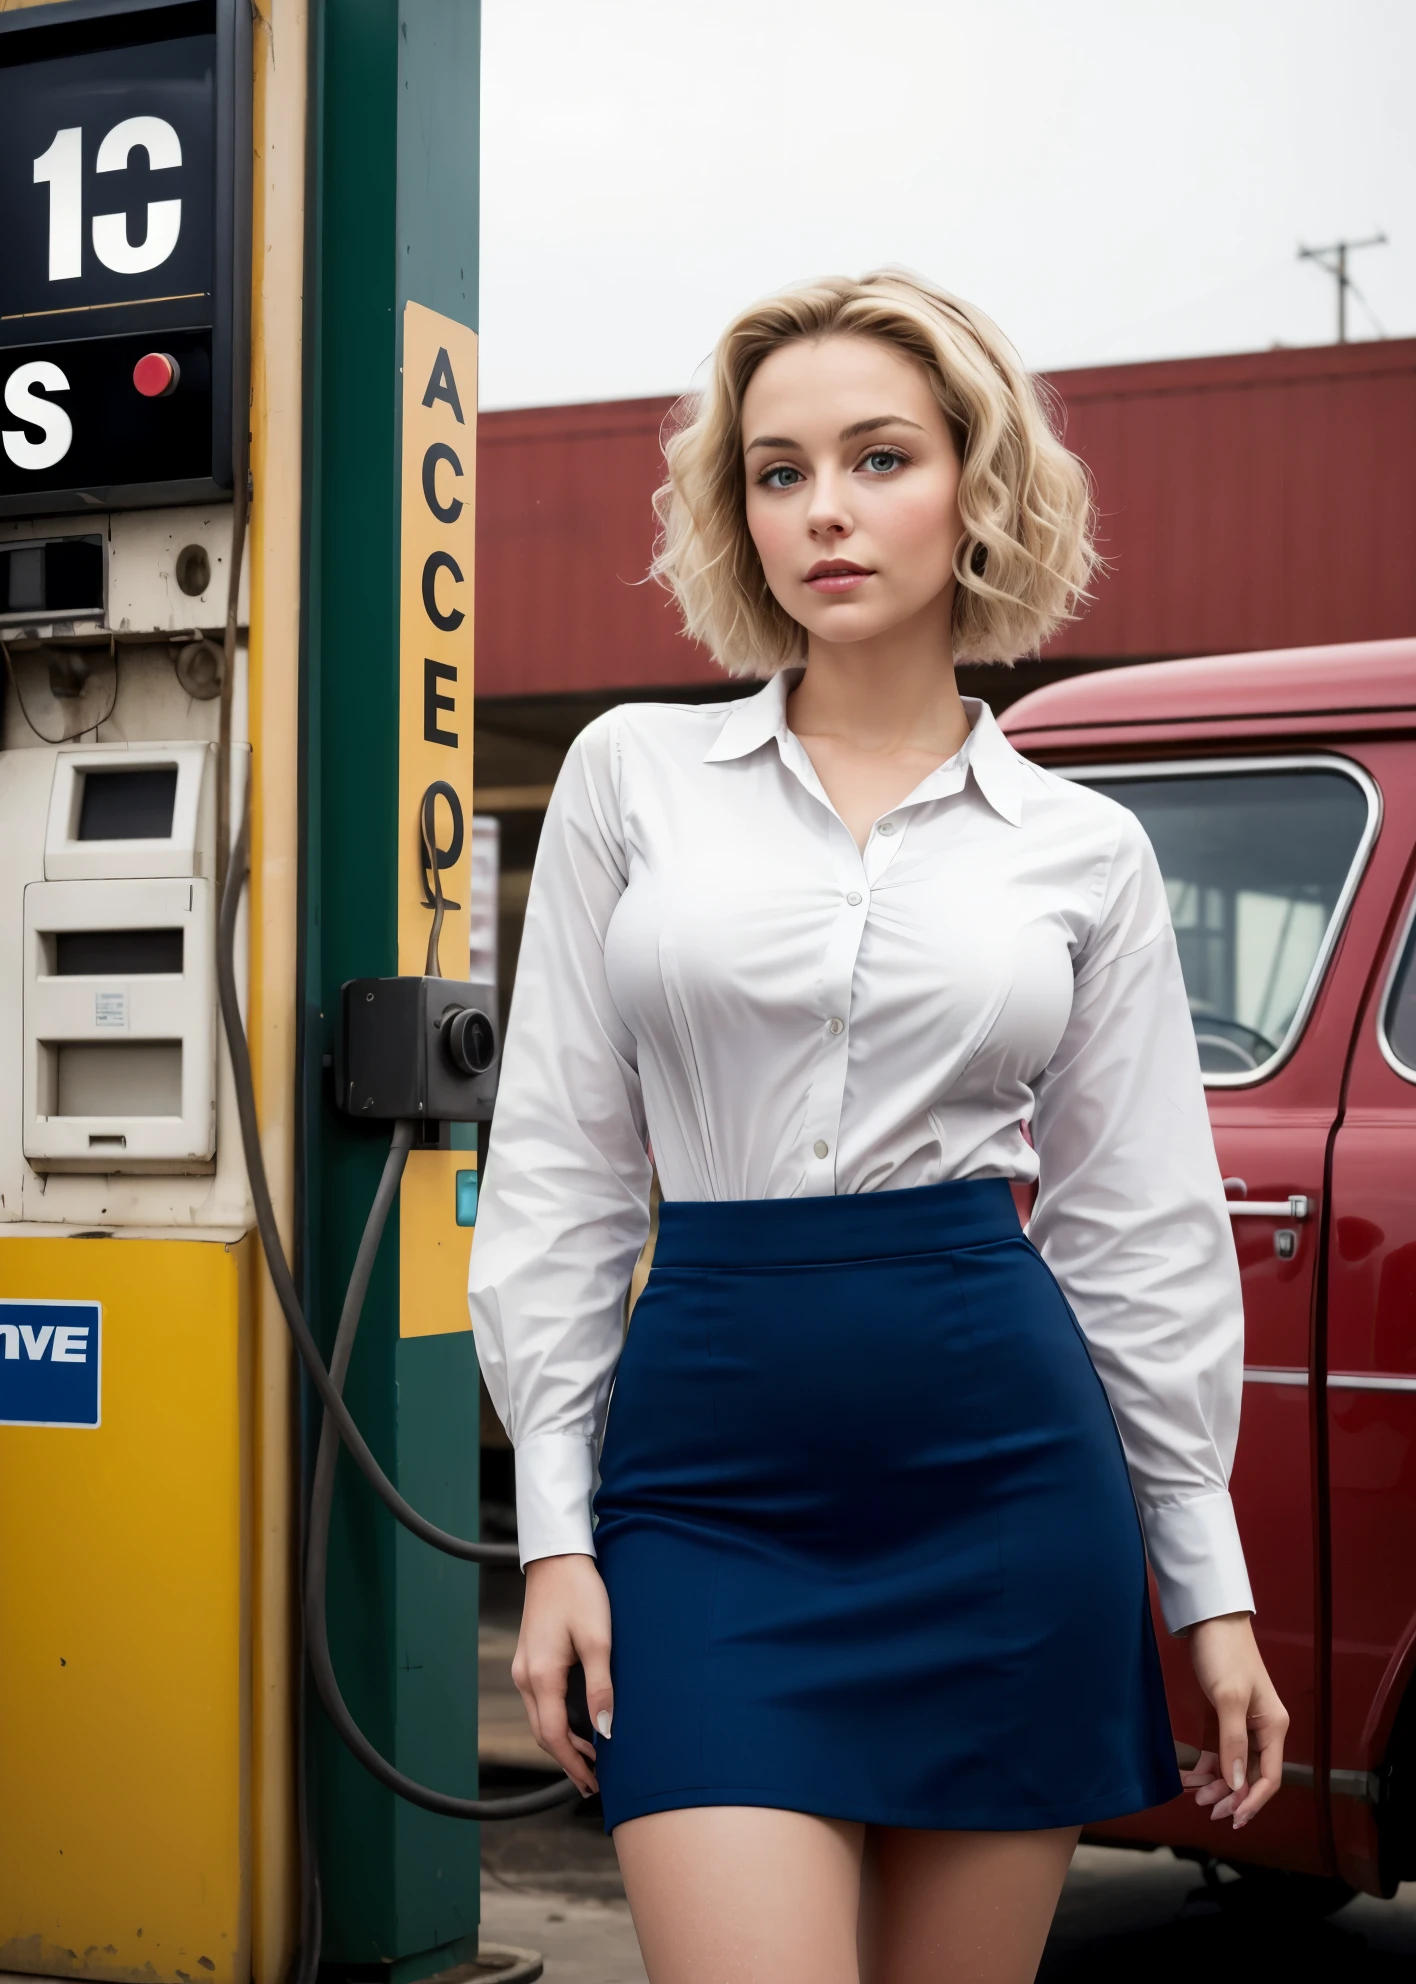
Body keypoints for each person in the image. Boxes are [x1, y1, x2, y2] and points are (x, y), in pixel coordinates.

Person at [468, 269, 1288, 1984]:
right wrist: (558, 1527)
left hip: (1001, 1491)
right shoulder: (631, 776)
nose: (824, 511)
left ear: (980, 489)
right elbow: (561, 1172)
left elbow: (1138, 1231)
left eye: (879, 457)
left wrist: (1206, 1585)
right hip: (707, 1493)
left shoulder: (1084, 851)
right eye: (778, 471)